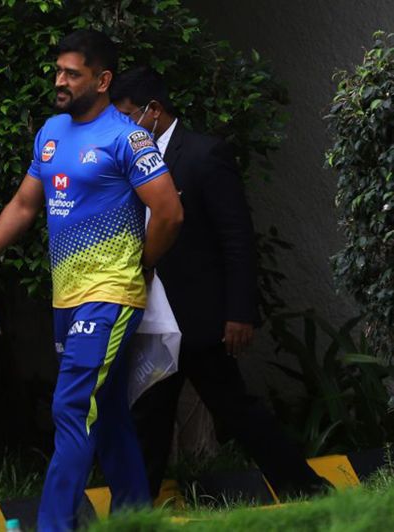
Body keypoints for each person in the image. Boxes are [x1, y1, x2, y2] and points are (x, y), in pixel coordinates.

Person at [0, 30, 183, 531]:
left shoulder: (127, 137)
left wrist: (141, 265)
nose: (60, 81)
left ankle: (53, 525)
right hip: (67, 297)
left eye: (72, 73)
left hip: (110, 295)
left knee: (72, 406)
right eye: (58, 71)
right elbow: (24, 205)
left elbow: (169, 212)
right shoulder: (51, 131)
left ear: (103, 79)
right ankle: (136, 520)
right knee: (109, 410)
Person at [110, 65, 327, 500]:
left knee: (236, 410)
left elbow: (237, 239)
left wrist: (239, 312)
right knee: (149, 417)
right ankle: (131, 513)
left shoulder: (204, 155)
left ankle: (308, 489)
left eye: (126, 115)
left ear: (153, 111)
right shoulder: (129, 163)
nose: (121, 128)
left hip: (200, 317)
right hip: (153, 315)